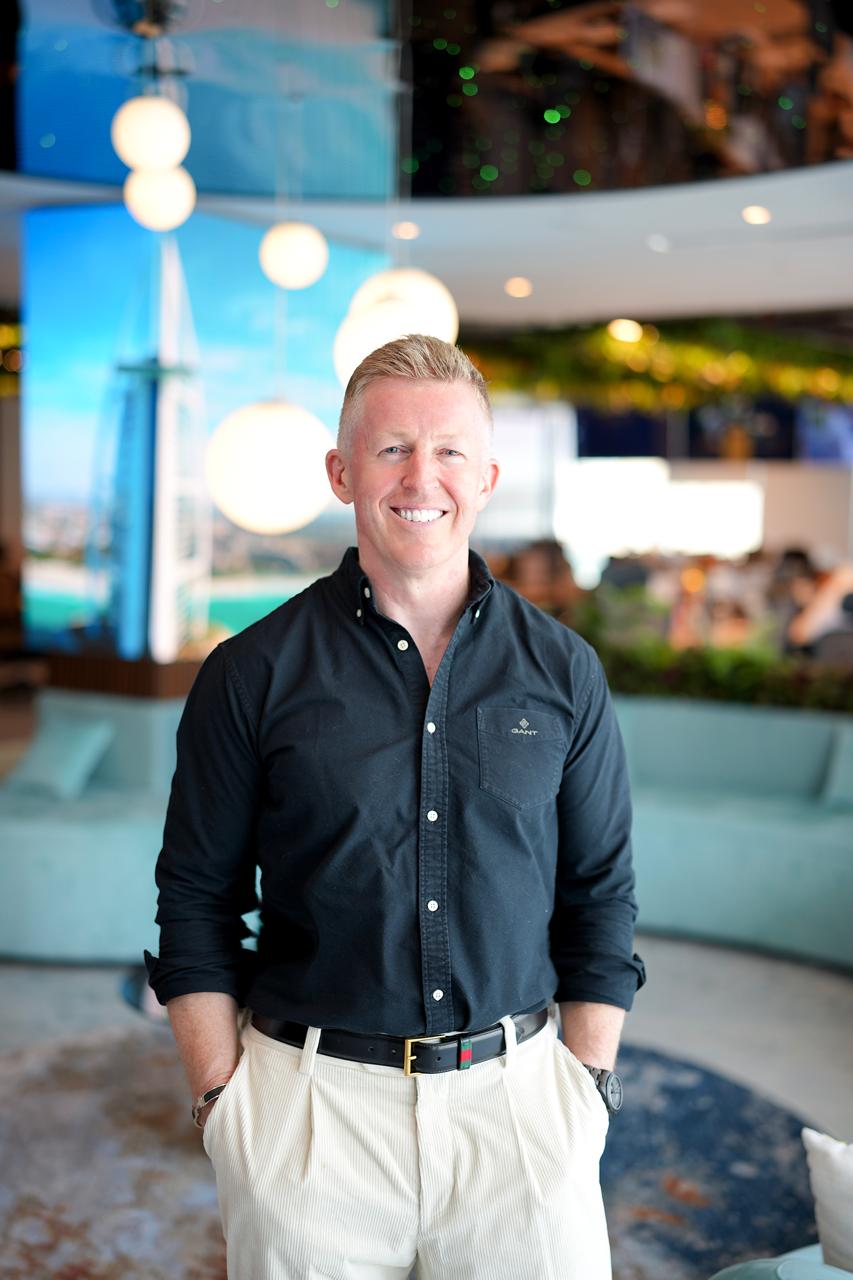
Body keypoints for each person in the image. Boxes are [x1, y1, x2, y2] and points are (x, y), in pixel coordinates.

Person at [144, 334, 645, 1280]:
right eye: (391, 449)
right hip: (310, 1119)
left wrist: (583, 1090)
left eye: (450, 450)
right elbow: (196, 900)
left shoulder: (563, 670)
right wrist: (220, 1106)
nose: (422, 477)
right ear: (341, 473)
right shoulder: (250, 672)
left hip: (522, 1116)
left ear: (486, 477)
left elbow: (600, 894)